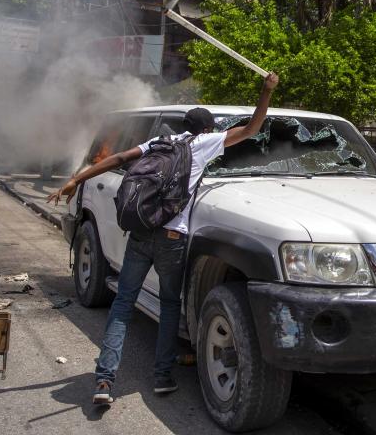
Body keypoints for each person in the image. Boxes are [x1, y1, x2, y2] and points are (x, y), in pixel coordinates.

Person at [47, 72, 279, 406]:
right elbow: (252, 128)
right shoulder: (204, 144)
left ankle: (103, 381)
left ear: (182, 125)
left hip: (140, 234)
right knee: (170, 304)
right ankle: (161, 377)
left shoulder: (157, 144)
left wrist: (74, 180)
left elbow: (115, 159)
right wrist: (266, 90)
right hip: (172, 237)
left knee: (123, 304)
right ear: (208, 129)